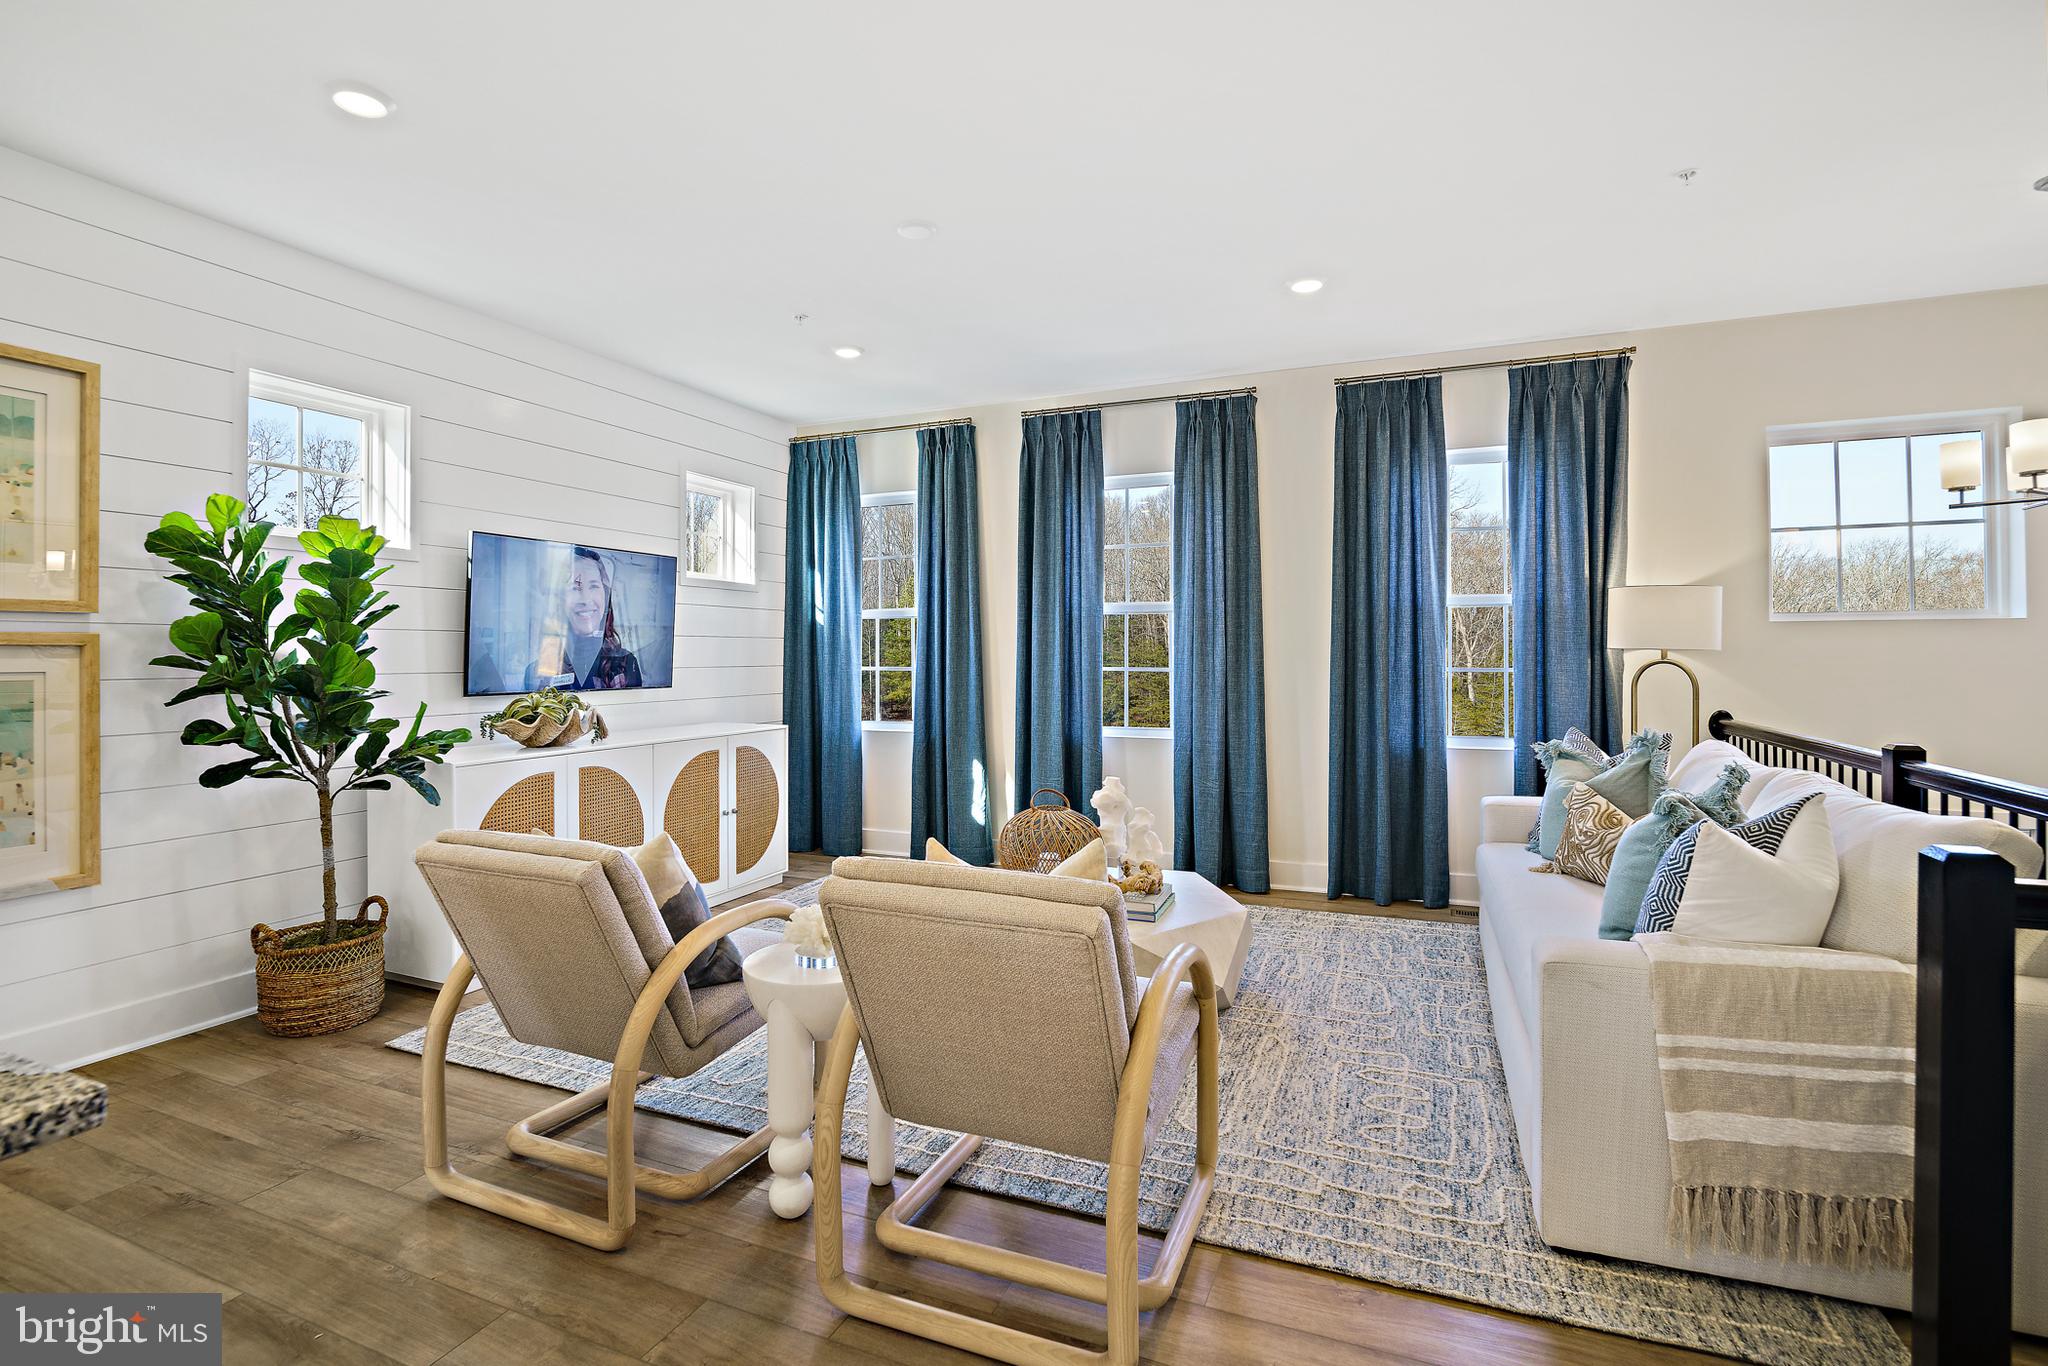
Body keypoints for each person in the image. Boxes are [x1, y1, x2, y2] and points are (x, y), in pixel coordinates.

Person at [526, 545, 643, 690]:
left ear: (605, 596)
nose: (586, 599)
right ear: (560, 599)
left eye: (593, 586)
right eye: (575, 588)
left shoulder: (627, 665)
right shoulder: (539, 672)